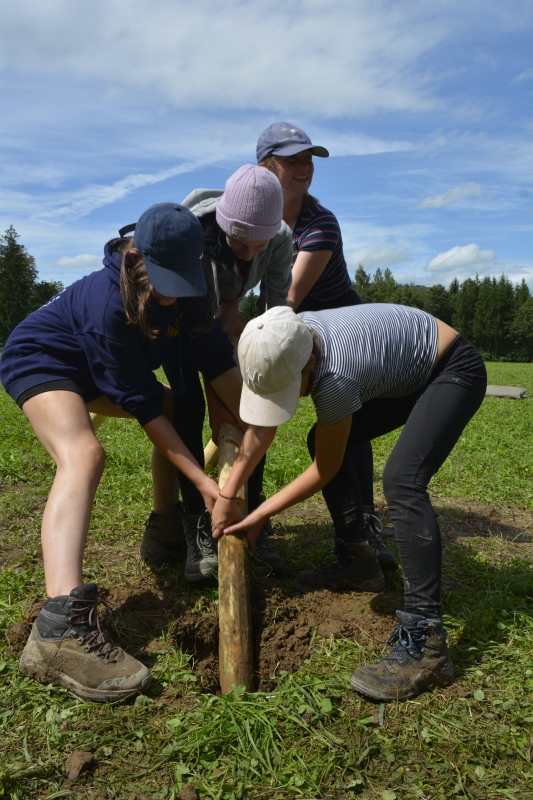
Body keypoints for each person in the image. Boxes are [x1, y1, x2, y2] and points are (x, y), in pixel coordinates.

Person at [0, 203, 241, 702]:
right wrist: (203, 483)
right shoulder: (109, 304)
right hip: (45, 358)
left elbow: (216, 357)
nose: (174, 295)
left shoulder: (191, 289)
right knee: (84, 453)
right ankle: (58, 629)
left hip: (95, 367)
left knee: (175, 406)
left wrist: (249, 425)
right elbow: (145, 411)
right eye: (166, 282)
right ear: (137, 259)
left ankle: (164, 527)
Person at [211, 304, 487, 701]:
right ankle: (359, 559)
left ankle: (426, 642)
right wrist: (228, 493)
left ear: (309, 364)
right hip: (410, 370)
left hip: (452, 370)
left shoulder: (334, 376)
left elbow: (324, 469)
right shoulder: (281, 338)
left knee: (403, 480)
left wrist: (259, 514)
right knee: (319, 438)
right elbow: (263, 428)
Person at [140, 165, 291, 577]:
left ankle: (252, 512)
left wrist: (259, 369)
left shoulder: (280, 238)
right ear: (224, 227)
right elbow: (203, 338)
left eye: (258, 246)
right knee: (188, 405)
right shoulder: (196, 237)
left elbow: (275, 311)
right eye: (240, 245)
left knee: (252, 410)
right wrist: (218, 404)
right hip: (182, 322)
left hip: (225, 320)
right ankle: (196, 526)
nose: (249, 255)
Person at [257, 122, 395, 569]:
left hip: (338, 331)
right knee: (256, 409)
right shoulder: (256, 218)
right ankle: (254, 519)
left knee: (346, 423)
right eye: (292, 159)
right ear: (266, 167)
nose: (304, 167)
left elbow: (288, 299)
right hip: (286, 325)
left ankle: (362, 527)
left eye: (308, 159)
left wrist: (252, 341)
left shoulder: (320, 223)